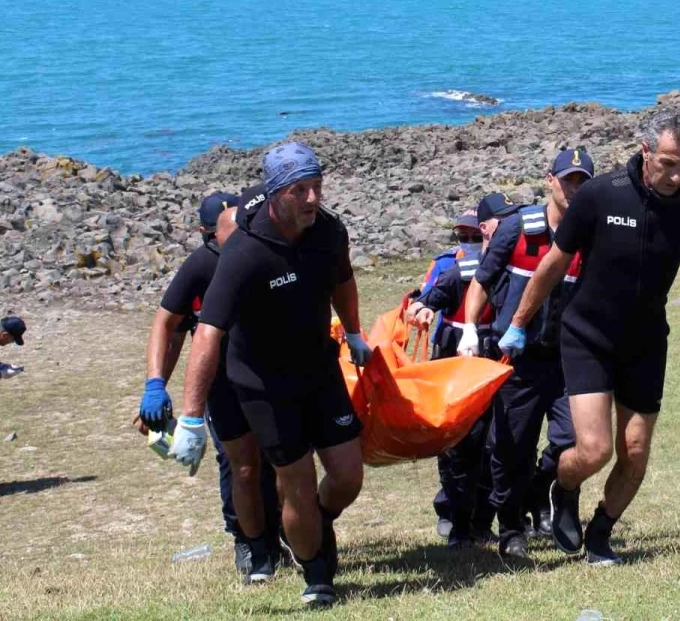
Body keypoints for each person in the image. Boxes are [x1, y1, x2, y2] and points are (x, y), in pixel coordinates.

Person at [500, 111, 680, 566]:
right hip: (587, 336)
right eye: (669, 163)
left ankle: (600, 534)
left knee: (634, 453)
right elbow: (554, 263)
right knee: (594, 449)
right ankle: (562, 486)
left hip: (646, 341)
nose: (676, 175)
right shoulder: (600, 194)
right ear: (646, 150)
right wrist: (518, 322)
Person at [169, 142, 373, 607]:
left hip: (319, 369)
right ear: (277, 193)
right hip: (263, 385)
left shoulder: (328, 231)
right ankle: (317, 575)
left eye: (317, 187)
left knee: (347, 476)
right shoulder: (245, 252)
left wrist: (356, 333)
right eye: (300, 190)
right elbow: (206, 334)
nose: (312, 199)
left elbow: (342, 279)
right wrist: (193, 416)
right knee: (296, 479)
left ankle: (309, 524)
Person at [136, 192, 282, 582]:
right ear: (208, 234)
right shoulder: (201, 265)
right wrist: (156, 385)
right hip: (222, 384)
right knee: (238, 466)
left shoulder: (261, 254)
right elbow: (172, 326)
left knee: (278, 459)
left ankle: (279, 534)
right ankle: (248, 542)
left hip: (267, 376)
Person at [460, 149, 592, 560]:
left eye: (582, 181)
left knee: (577, 441)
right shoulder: (517, 228)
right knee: (510, 447)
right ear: (549, 180)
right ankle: (511, 526)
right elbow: (482, 280)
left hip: (568, 358)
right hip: (517, 359)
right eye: (568, 179)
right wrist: (468, 327)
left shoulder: (589, 233)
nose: (574, 188)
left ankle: (544, 491)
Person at [409, 194, 511, 549]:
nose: (468, 244)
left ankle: (486, 520)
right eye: (462, 238)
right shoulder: (454, 270)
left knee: (498, 443)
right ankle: (459, 522)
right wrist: (420, 309)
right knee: (459, 446)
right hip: (458, 363)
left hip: (500, 361)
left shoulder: (513, 267)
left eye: (473, 237)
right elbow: (425, 301)